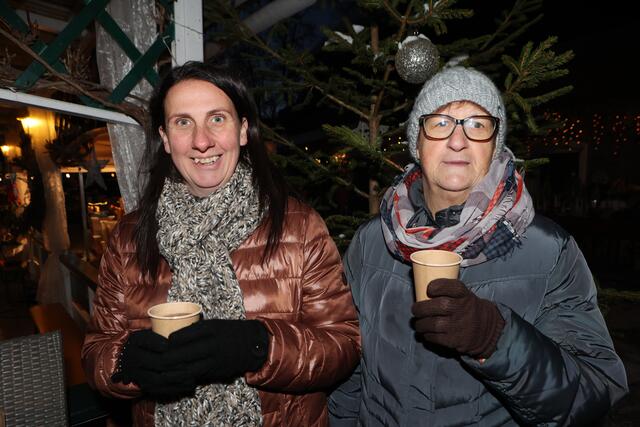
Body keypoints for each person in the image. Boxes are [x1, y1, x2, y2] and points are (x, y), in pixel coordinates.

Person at [328, 66, 628, 425]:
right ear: (417, 143)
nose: (458, 140)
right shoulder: (371, 242)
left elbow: (594, 392)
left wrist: (496, 340)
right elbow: (348, 378)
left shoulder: (548, 250)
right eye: (440, 123)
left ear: (494, 146)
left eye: (477, 124)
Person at [81, 61, 360, 426]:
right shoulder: (129, 238)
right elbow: (96, 353)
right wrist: (127, 361)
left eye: (217, 119)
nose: (202, 141)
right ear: (165, 138)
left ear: (243, 130)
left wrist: (259, 347)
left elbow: (343, 345)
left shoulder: (300, 227)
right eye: (183, 122)